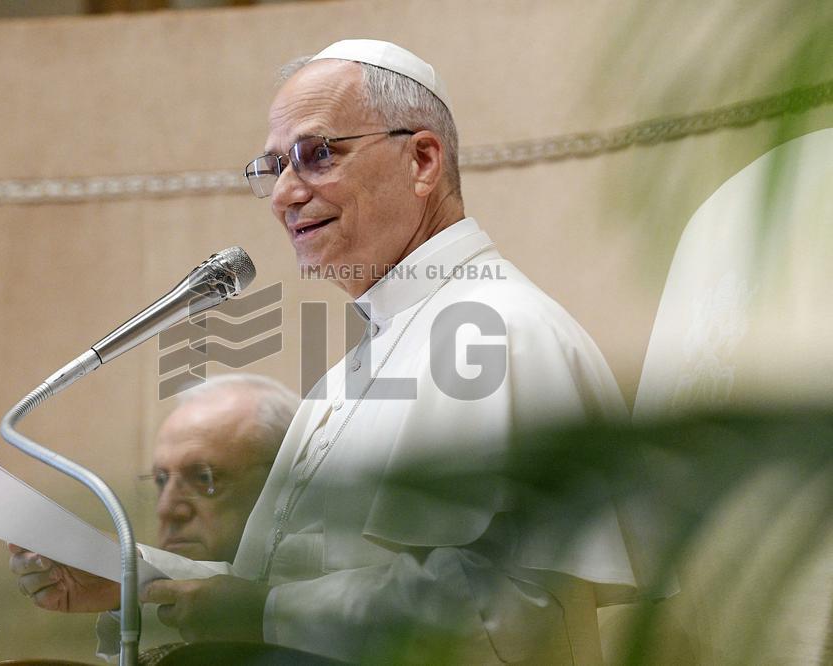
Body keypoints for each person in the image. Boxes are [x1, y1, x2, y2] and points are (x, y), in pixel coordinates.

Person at [65, 39, 658, 664]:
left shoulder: (500, 331)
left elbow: (513, 609)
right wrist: (132, 577)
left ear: (423, 160)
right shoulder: (374, 349)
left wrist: (262, 613)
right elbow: (290, 587)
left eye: (316, 155)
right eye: (273, 168)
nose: (283, 194)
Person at [8, 373, 299, 657]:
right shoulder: (145, 619)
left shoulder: (332, 621)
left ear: (289, 485)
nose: (167, 509)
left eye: (203, 477)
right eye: (161, 480)